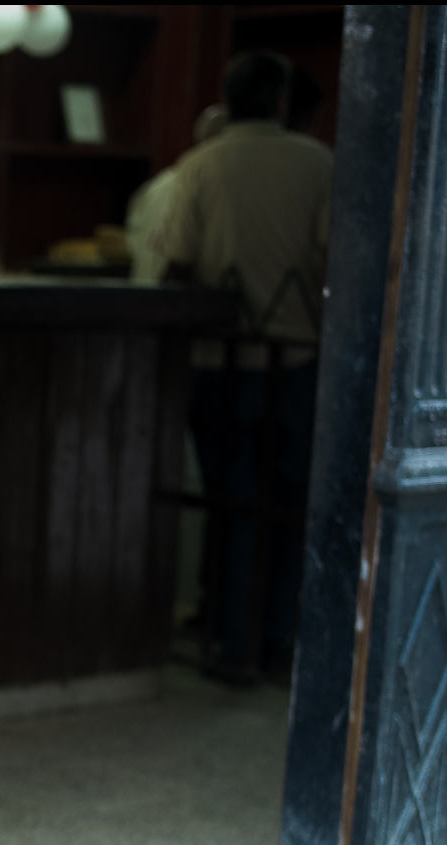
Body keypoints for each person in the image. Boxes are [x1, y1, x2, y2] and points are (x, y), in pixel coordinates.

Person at [155, 51, 333, 683]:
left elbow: (175, 266)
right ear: (282, 99)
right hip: (297, 355)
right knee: (289, 506)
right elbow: (334, 260)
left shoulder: (200, 166)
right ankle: (281, 643)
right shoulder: (318, 164)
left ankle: (231, 642)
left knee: (232, 503)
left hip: (221, 358)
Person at [127, 105, 229, 285]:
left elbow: (132, 243)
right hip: (170, 301)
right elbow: (180, 262)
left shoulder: (158, 183)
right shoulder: (210, 188)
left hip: (139, 296)